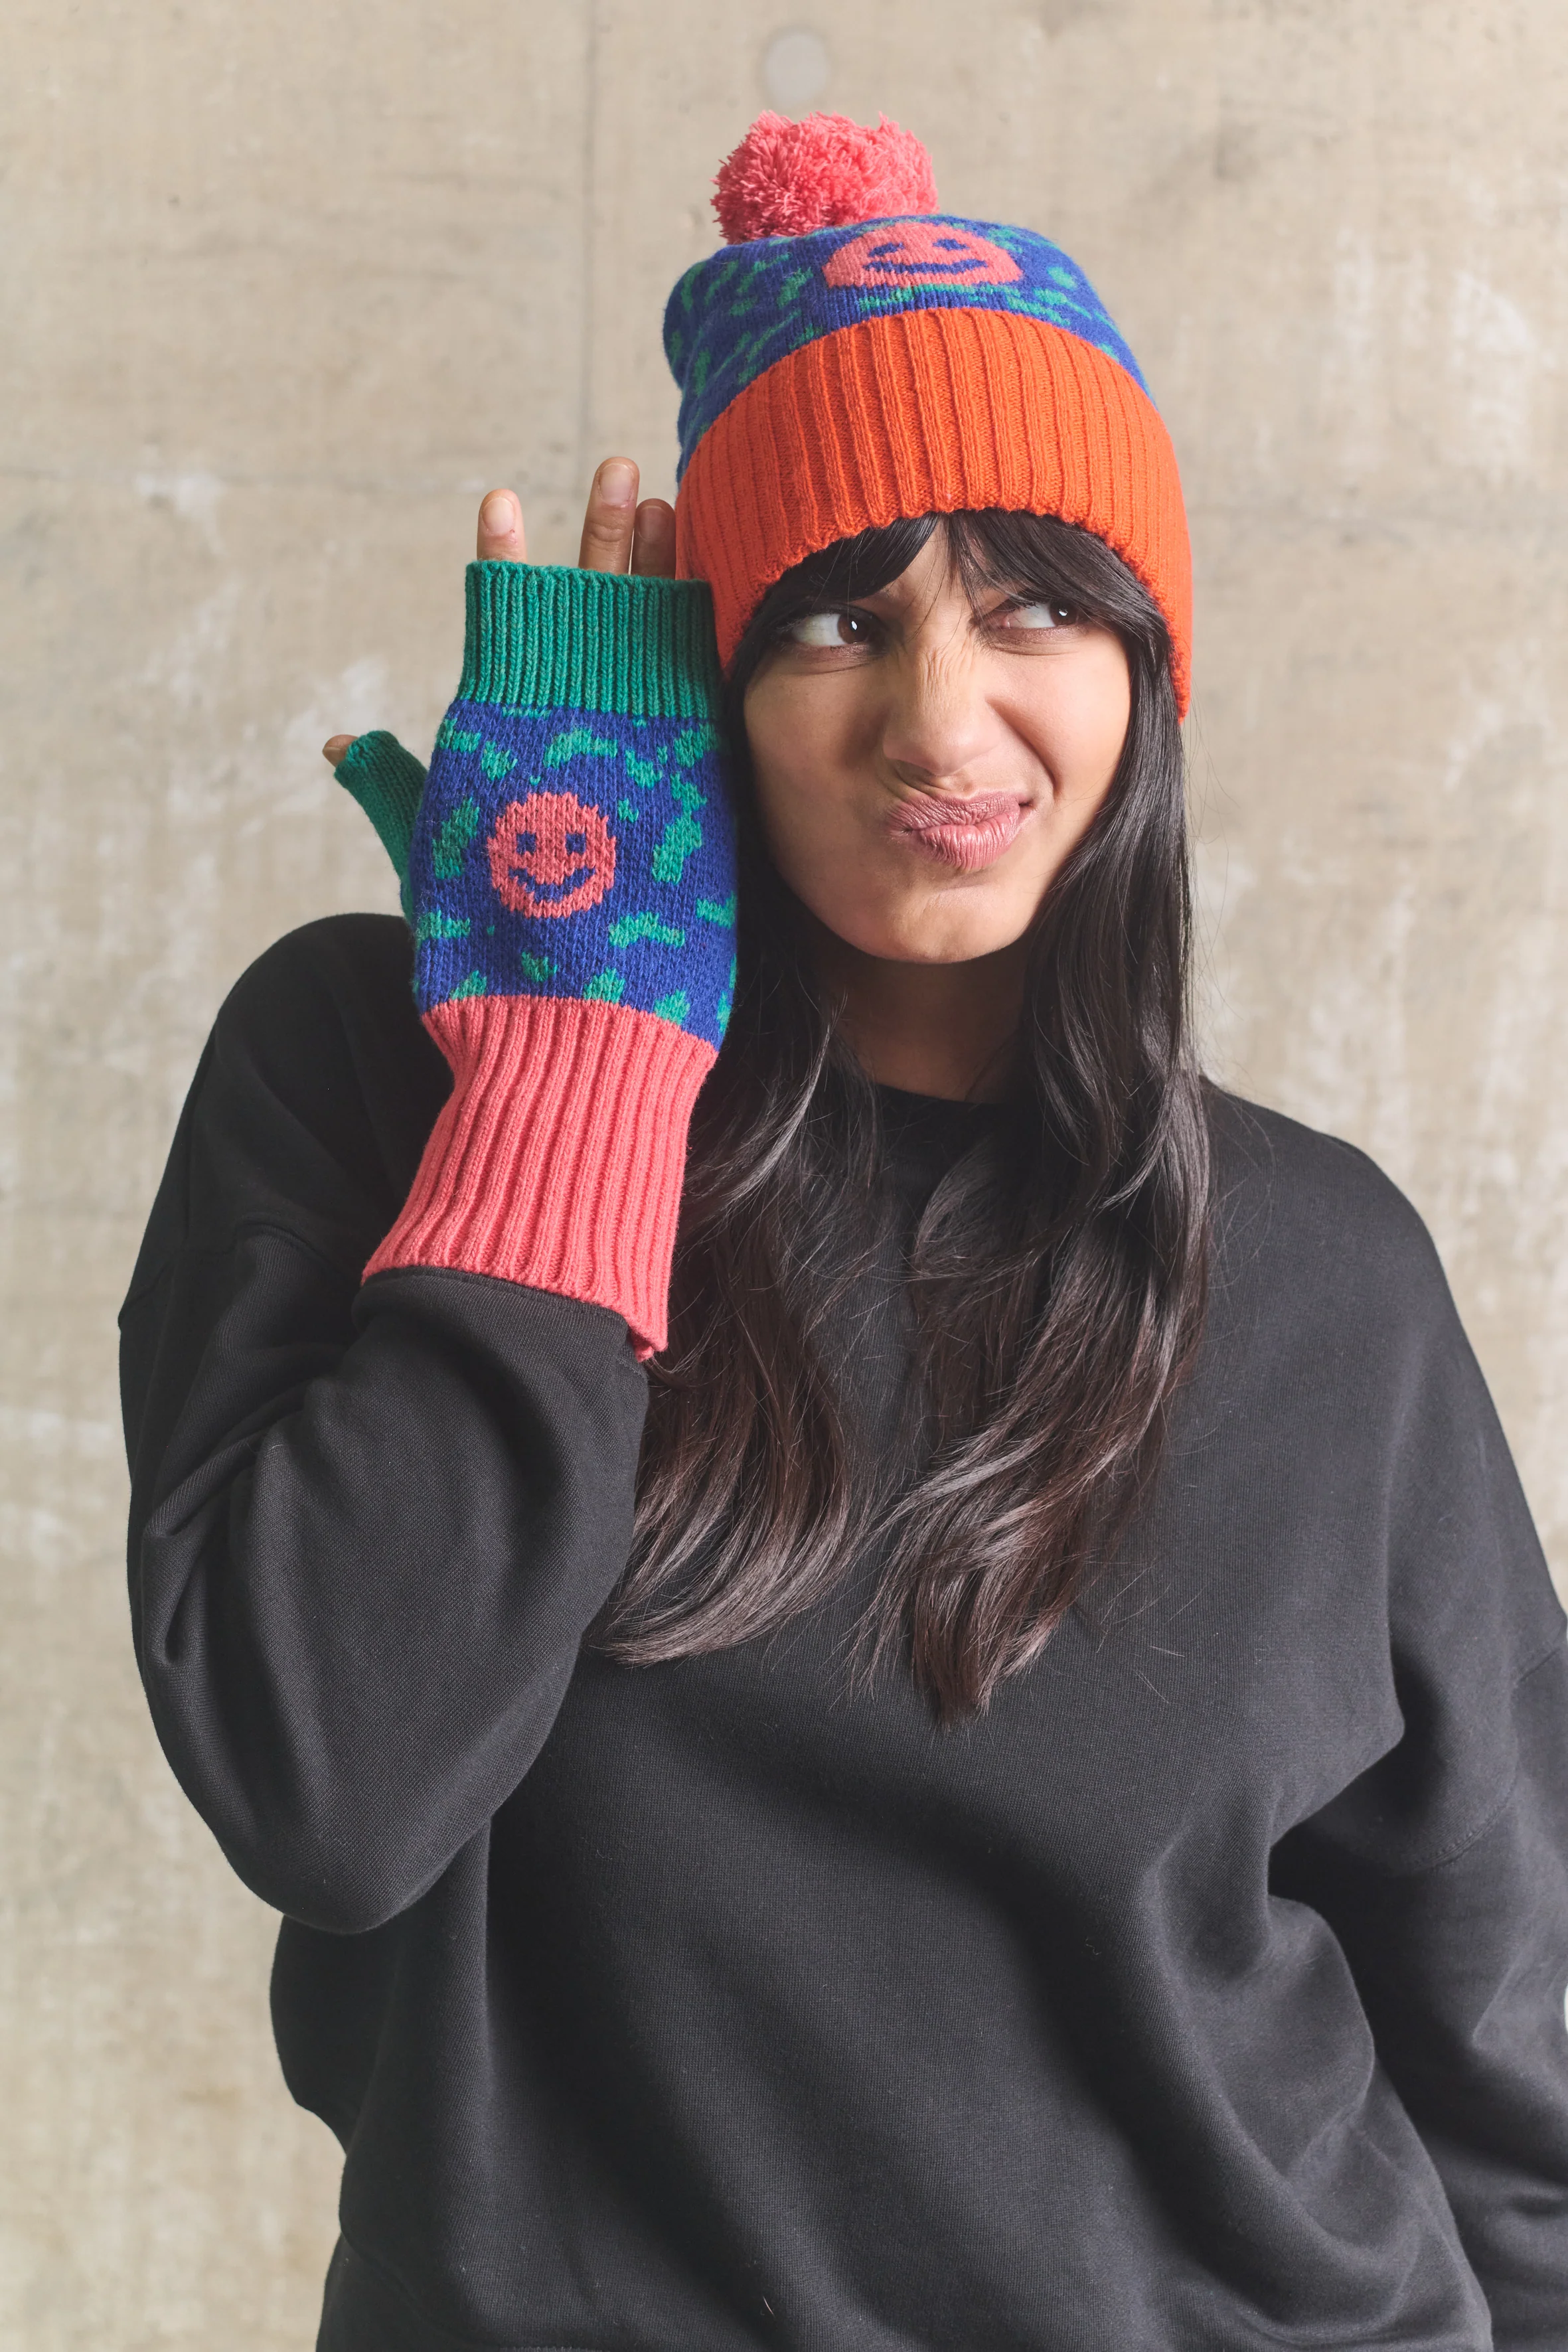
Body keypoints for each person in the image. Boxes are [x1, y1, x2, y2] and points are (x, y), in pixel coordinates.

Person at [120, 110, 1568, 2351]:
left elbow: (1513, 2035)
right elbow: (342, 1786)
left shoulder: (1324, 1270)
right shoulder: (377, 1074)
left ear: (1142, 670)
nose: (938, 716)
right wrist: (578, 1068)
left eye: (1035, 605)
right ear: (713, 680)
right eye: (833, 617)